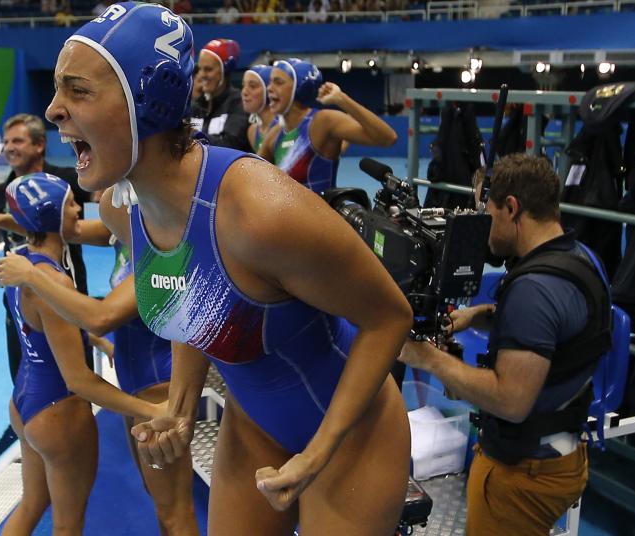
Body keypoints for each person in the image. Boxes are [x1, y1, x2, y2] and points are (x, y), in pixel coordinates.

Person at [49, 4, 412, 534]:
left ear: (146, 101)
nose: (54, 110)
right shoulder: (122, 210)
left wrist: (318, 453)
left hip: (352, 431)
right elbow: (195, 302)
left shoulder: (260, 214)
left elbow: (389, 318)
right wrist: (179, 404)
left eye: (77, 91)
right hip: (254, 423)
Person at [399, 154, 612, 536]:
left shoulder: (533, 292)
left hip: (523, 472)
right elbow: (562, 328)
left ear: (511, 208)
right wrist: (481, 313)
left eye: (487, 211)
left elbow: (511, 401)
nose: (484, 226)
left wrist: (426, 357)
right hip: (565, 454)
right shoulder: (579, 259)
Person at [0, 218, 199, 535]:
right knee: (162, 503)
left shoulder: (159, 250)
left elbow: (100, 317)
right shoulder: (122, 230)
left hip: (156, 388)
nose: (89, 203)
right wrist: (4, 219)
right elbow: (63, 228)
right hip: (136, 384)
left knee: (174, 510)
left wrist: (31, 275)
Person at [0, 173, 141, 536]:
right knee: (68, 525)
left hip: (24, 400)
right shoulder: (52, 282)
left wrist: (95, 341)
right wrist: (150, 410)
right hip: (59, 409)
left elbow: (41, 332)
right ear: (49, 216)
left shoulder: (21, 264)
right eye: (70, 203)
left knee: (31, 505)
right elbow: (79, 379)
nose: (79, 207)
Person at [0, 113, 91, 383]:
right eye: (6, 141)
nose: (9, 147)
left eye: (18, 141)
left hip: (66, 300)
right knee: (26, 380)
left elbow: (105, 198)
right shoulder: (3, 192)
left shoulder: (64, 181)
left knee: (77, 383)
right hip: (20, 307)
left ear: (39, 145)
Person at [260, 58, 397, 192]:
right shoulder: (275, 134)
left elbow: (388, 138)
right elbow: (253, 177)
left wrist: (342, 99)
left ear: (299, 88)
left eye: (278, 82)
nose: (269, 88)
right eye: (270, 82)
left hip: (320, 213)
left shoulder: (323, 121)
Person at [190, 39, 252, 152]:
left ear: (225, 71)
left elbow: (231, 145)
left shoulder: (239, 103)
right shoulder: (196, 106)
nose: (202, 75)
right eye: (200, 69)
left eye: (208, 69)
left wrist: (193, 134)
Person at [239, 64, 277, 152]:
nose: (244, 92)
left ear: (269, 90)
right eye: (243, 86)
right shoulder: (253, 131)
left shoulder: (284, 128)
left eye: (252, 86)